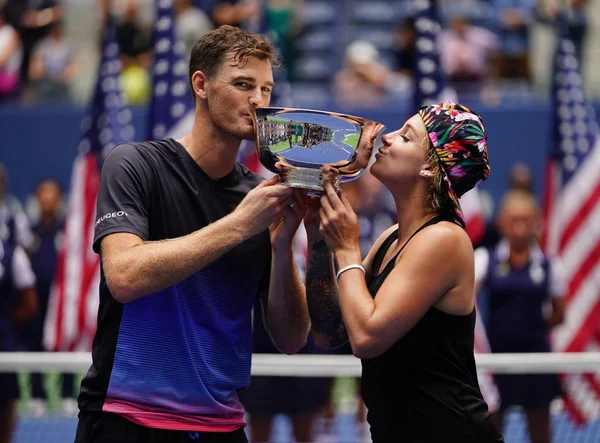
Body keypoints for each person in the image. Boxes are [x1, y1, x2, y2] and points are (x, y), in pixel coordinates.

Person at [74, 25, 310, 443]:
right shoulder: (133, 165)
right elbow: (124, 276)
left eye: (267, 89)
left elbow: (291, 338)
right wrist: (238, 226)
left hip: (222, 427)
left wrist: (282, 243)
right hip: (126, 422)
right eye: (243, 85)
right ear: (200, 84)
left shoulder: (260, 197)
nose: (258, 101)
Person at [304, 101, 505, 442]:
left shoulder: (444, 238)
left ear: (430, 167)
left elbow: (367, 338)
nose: (386, 137)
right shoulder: (390, 238)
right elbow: (330, 332)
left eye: (406, 137)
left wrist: (347, 247)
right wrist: (319, 238)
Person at [474, 190, 564, 443]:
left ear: (537, 222)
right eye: (514, 220)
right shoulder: (484, 260)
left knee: (540, 434)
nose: (520, 227)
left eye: (526, 220)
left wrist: (529, 328)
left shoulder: (550, 265)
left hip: (537, 362)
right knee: (490, 432)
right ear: (502, 221)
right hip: (495, 362)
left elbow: (559, 313)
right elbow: (463, 296)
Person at [0, 235, 38, 443]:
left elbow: (30, 304)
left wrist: (6, 324)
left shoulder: (12, 254)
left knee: (5, 408)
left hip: (4, 350)